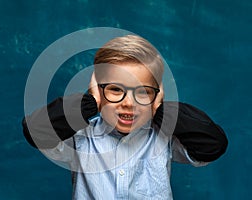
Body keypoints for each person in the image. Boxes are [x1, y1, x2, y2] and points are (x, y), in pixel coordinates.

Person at [22, 35, 228, 199]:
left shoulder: (163, 136)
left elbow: (212, 145)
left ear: (157, 94)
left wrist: (160, 109)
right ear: (98, 90)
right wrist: (90, 102)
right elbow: (35, 130)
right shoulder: (80, 137)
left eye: (142, 92)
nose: (128, 103)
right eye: (115, 89)